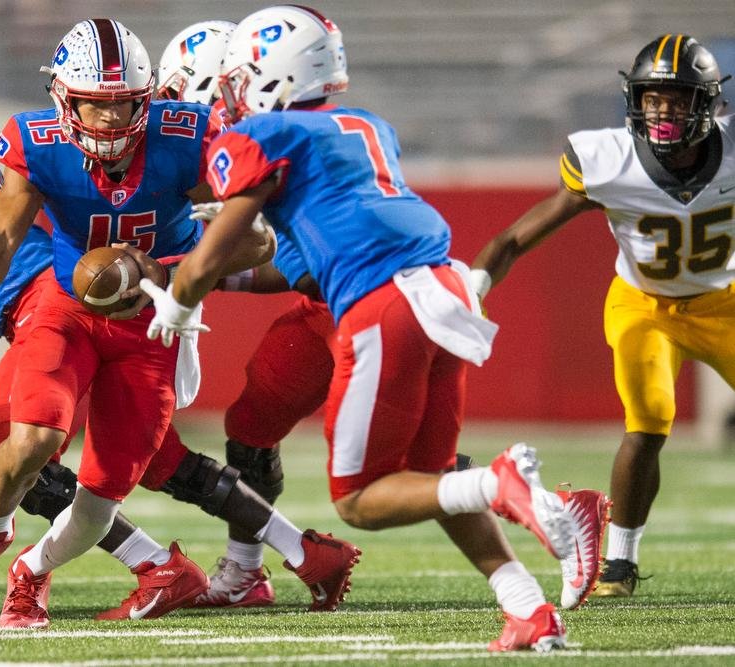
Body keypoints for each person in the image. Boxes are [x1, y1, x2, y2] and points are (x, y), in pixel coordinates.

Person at [141, 5, 581, 652]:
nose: (228, 98)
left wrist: (178, 297)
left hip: (379, 304)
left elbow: (227, 249)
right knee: (433, 478)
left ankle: (500, 480)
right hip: (442, 287)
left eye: (236, 83)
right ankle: (529, 609)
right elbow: (308, 254)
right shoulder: (365, 125)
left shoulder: (262, 136)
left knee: (359, 498)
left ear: (267, 78)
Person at [0, 18, 360, 628]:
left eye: (123, 102)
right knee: (33, 438)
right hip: (66, 309)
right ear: (64, 98)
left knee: (101, 499)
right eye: (95, 104)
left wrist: (167, 269)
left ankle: (30, 571)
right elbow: (0, 234)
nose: (110, 118)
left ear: (146, 97)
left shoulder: (189, 136)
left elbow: (258, 243)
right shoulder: (35, 139)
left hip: (153, 325)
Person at [470, 34, 733, 599]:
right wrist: (475, 286)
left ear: (708, 103)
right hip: (645, 303)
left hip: (724, 301)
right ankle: (619, 562)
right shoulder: (608, 160)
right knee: (649, 420)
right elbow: (514, 238)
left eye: (677, 99)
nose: (662, 112)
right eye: (652, 99)